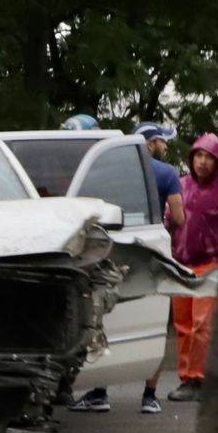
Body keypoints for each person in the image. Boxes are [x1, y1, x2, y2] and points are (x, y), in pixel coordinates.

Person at [69, 121, 185, 414]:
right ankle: (149, 396)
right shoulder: (167, 173)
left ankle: (100, 391)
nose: (166, 146)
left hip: (112, 248)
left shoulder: (112, 171)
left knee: (110, 316)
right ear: (149, 144)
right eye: (162, 141)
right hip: (151, 247)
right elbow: (180, 217)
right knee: (155, 319)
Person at [166, 134, 218, 402]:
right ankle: (186, 377)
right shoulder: (181, 184)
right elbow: (170, 221)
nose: (202, 162)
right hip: (180, 264)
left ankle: (199, 379)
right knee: (183, 324)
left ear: (217, 162)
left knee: (202, 325)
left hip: (211, 265)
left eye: (208, 158)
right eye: (198, 156)